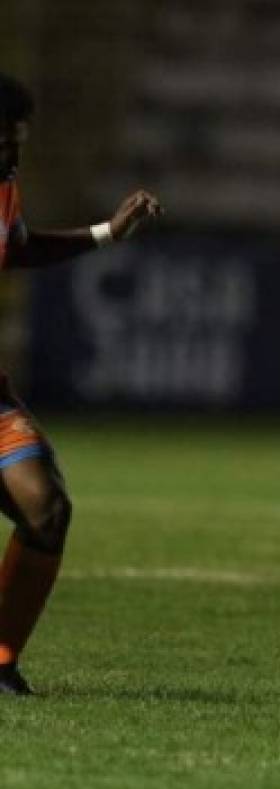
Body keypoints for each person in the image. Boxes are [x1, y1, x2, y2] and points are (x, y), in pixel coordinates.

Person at [0, 73, 163, 694]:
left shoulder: (3, 188)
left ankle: (2, 660)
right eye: (3, 141)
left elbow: (16, 248)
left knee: (46, 508)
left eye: (18, 141)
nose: (14, 154)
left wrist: (105, 233)